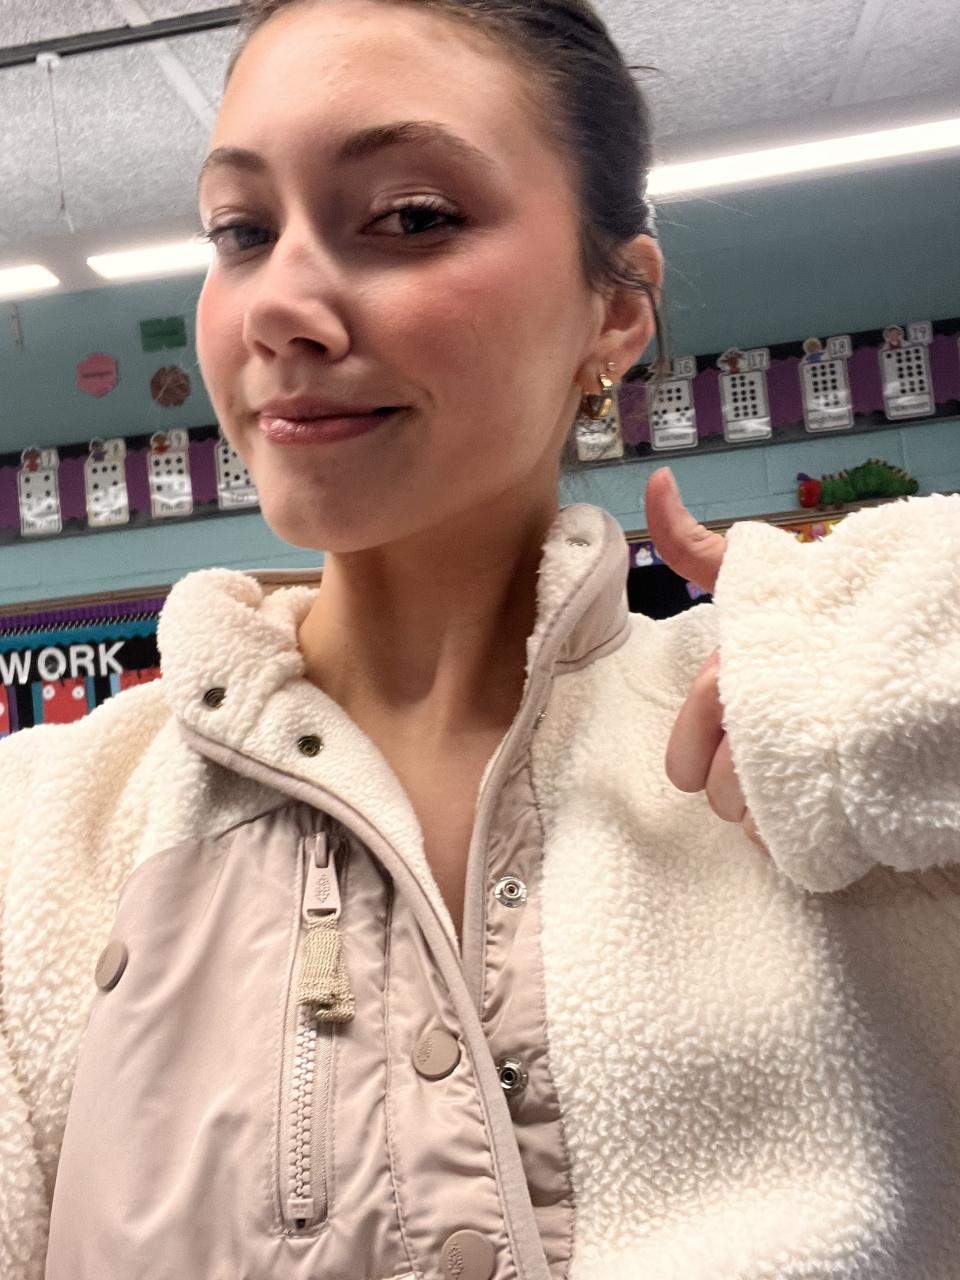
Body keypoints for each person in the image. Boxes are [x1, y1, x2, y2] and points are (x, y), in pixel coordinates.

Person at [2, 2, 959, 1277]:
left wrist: (910, 656)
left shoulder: (811, 747)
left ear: (614, 313)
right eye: (241, 230)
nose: (279, 305)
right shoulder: (46, 831)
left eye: (410, 217)